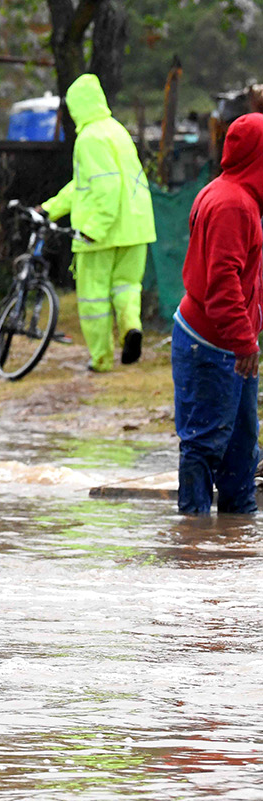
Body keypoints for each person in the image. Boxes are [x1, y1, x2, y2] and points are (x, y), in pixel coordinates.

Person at [172, 111, 263, 515]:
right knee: (205, 445)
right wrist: (245, 341)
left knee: (242, 453)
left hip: (230, 342)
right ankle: (192, 544)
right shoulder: (231, 205)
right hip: (211, 344)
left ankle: (232, 549)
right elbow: (221, 282)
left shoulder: (234, 195)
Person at [39, 73, 157, 372]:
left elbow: (105, 188)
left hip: (101, 233)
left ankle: (101, 359)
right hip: (137, 226)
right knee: (127, 287)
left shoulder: (89, 139)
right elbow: (83, 186)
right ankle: (131, 328)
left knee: (93, 300)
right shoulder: (116, 131)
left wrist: (94, 229)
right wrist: (50, 209)